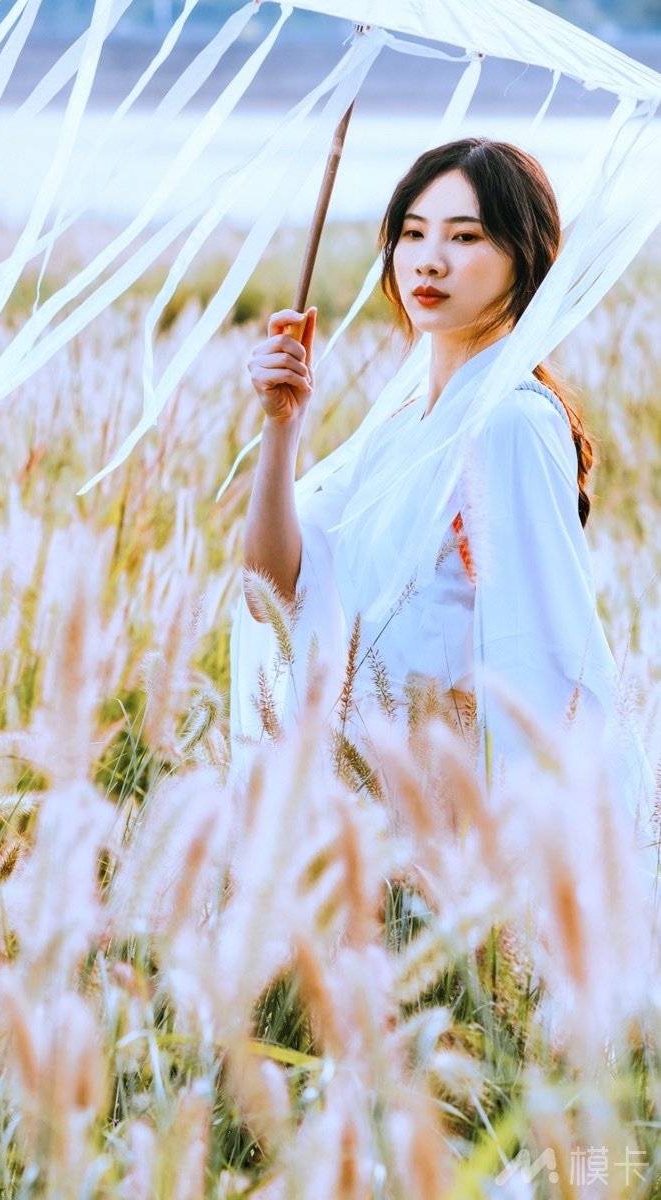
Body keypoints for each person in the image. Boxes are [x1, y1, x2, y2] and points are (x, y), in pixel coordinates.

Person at [228, 137, 653, 834]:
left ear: (525, 255)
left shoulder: (510, 421)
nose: (430, 258)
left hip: (453, 816)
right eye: (413, 233)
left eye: (466, 236)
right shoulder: (398, 430)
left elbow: (539, 657)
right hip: (366, 811)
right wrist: (281, 429)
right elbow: (270, 589)